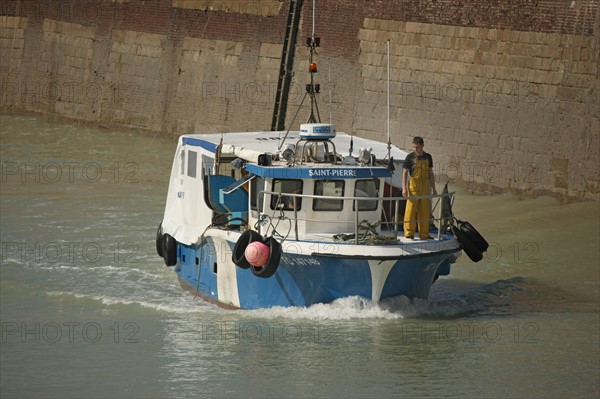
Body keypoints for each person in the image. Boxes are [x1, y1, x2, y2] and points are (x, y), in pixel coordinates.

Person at [402, 136, 437, 239]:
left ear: (422, 146)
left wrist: (434, 189)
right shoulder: (409, 157)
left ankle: (424, 234)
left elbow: (430, 173)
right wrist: (404, 188)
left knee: (425, 211)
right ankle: (409, 233)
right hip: (413, 187)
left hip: (425, 187)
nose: (415, 149)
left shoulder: (428, 157)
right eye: (414, 147)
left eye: (417, 147)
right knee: (410, 211)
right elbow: (404, 173)